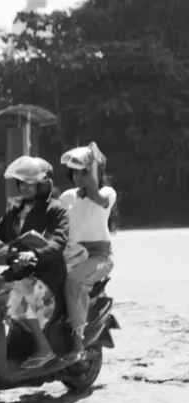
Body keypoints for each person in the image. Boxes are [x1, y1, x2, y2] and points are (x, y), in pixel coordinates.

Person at [0, 156, 71, 369]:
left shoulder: (56, 209)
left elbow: (58, 241)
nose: (24, 187)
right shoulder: (14, 210)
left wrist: (35, 254)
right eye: (22, 182)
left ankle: (44, 348)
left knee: (15, 295)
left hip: (46, 275)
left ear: (44, 184)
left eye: (30, 182)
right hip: (20, 271)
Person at [56, 143, 116, 365]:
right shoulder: (67, 197)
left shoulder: (107, 193)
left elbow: (97, 197)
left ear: (97, 172)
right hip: (72, 254)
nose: (78, 177)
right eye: (75, 171)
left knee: (73, 281)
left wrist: (93, 166)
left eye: (84, 171)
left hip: (99, 257)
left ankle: (78, 346)